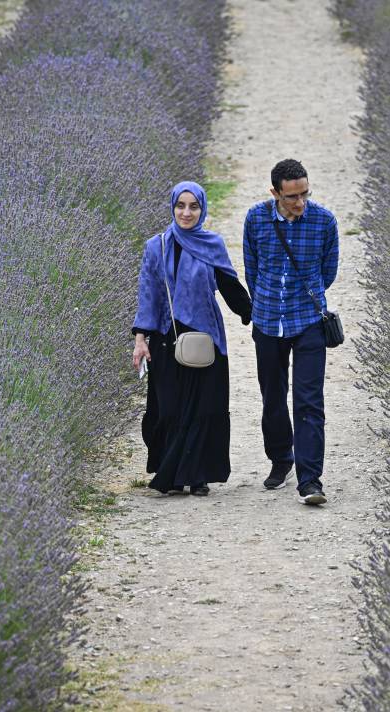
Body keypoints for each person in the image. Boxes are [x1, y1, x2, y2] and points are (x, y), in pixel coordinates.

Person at [132, 181, 251, 496]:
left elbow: (230, 286)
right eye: (180, 206)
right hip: (165, 337)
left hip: (205, 336)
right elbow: (149, 294)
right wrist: (140, 338)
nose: (186, 212)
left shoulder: (212, 244)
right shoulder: (156, 246)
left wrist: (255, 316)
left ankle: (198, 476)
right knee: (169, 409)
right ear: (172, 207)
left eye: (193, 206)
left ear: (202, 209)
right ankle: (171, 474)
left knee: (204, 408)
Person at [242, 159, 339, 505]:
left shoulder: (324, 221)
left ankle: (310, 480)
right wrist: (266, 302)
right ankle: (281, 458)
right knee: (272, 396)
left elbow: (328, 272)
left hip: (309, 320)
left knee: (309, 402)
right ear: (275, 194)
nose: (300, 202)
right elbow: (251, 269)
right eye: (292, 197)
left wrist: (302, 296)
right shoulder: (255, 219)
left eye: (304, 194)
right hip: (267, 319)